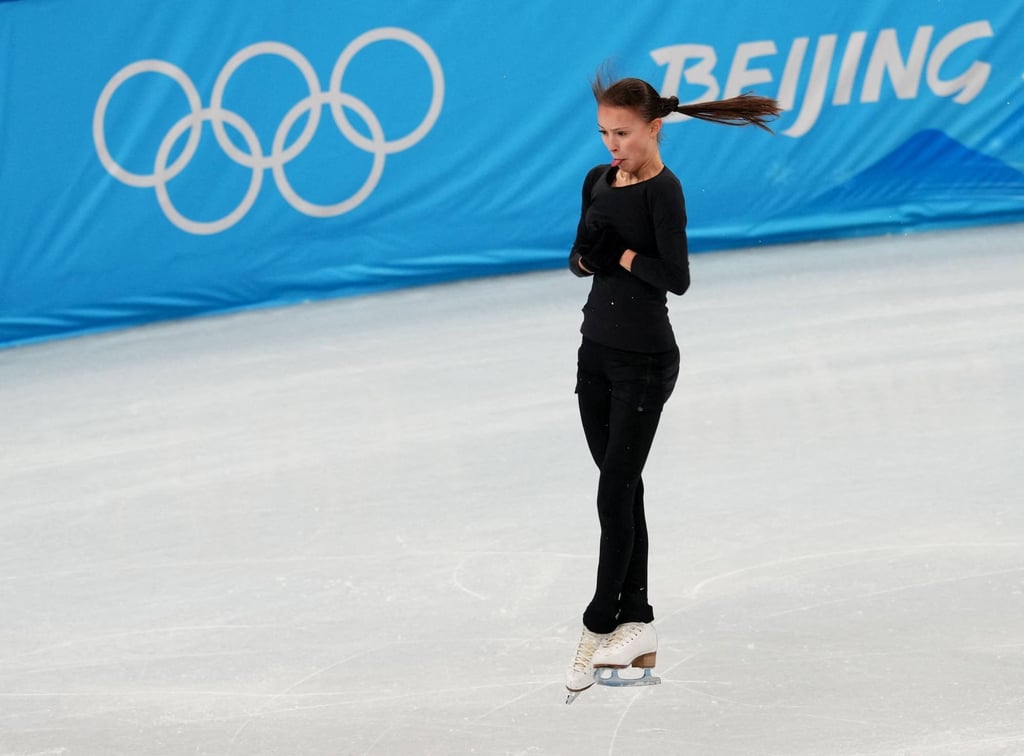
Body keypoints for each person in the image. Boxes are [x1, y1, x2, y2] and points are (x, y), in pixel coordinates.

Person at [565, 75, 779, 699]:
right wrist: (589, 254)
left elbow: (676, 278)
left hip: (645, 363)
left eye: (622, 133)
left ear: (654, 128)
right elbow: (578, 259)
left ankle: (601, 619)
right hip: (594, 356)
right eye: (604, 132)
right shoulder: (596, 181)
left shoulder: (666, 191)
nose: (612, 144)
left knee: (615, 490)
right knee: (621, 487)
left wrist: (625, 257)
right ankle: (639, 627)